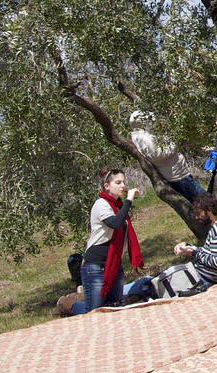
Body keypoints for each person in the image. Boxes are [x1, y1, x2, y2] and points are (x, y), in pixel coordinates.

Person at [71, 169, 143, 314]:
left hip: (115, 264)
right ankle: (69, 304)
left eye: (124, 182)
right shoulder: (101, 204)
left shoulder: (118, 206)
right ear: (107, 186)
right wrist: (129, 200)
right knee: (95, 312)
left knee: (114, 308)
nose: (123, 186)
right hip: (95, 267)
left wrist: (125, 204)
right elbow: (115, 223)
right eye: (118, 182)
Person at [130, 111, 206, 201]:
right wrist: (173, 145)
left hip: (178, 171)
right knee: (202, 201)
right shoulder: (142, 137)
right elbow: (157, 155)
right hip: (175, 174)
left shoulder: (146, 135)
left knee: (202, 198)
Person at [173, 192, 217, 295]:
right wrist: (188, 247)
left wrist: (193, 253)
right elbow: (209, 252)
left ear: (209, 211)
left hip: (204, 277)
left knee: (149, 284)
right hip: (203, 274)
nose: (197, 217)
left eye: (198, 213)